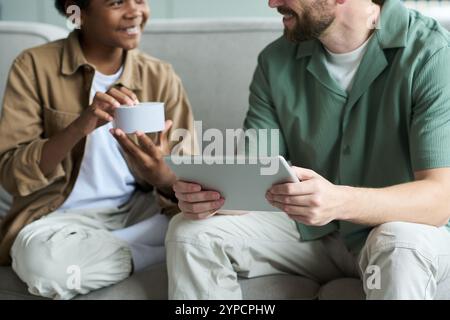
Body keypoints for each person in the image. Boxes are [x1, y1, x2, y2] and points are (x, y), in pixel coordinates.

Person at [166, 0, 450, 300]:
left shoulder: (431, 53)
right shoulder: (275, 61)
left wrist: (339, 201)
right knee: (190, 234)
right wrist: (212, 197)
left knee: (400, 243)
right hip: (310, 235)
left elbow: (439, 199)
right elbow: (256, 178)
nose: (272, 2)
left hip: (395, 233)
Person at [0, 0, 196, 299]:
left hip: (138, 211)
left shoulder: (160, 76)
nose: (134, 12)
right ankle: (154, 252)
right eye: (116, 2)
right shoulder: (34, 66)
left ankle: (116, 246)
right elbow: (11, 173)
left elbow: (191, 178)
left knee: (207, 227)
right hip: (58, 218)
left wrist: (159, 174)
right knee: (46, 270)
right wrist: (79, 126)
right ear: (76, 12)